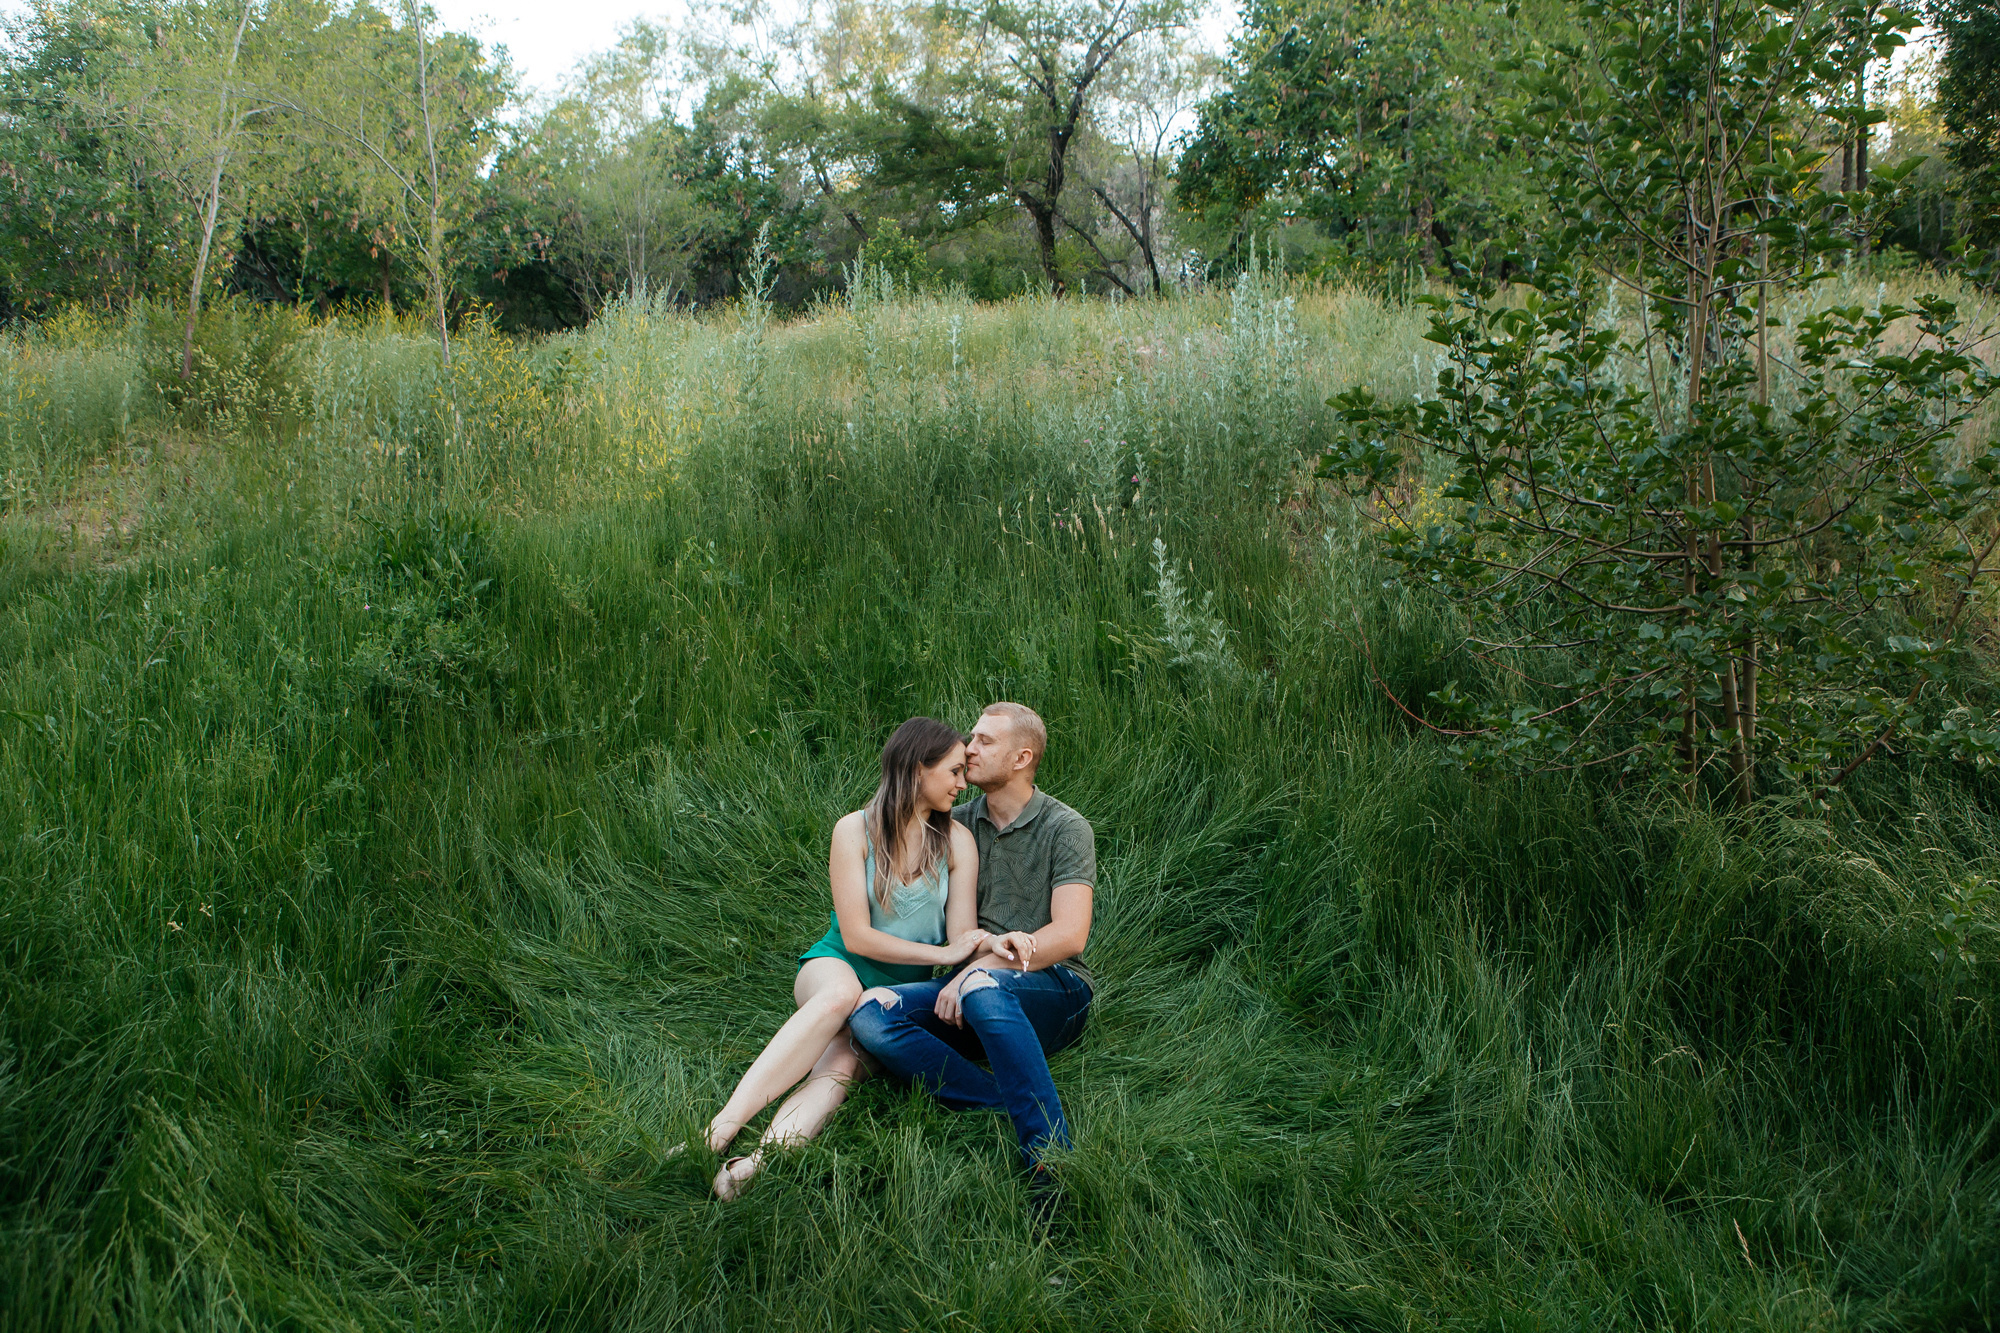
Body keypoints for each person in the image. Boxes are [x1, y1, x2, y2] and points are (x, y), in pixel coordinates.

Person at [701, 717, 991, 1200]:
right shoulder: (854, 830)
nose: (964, 783)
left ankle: (753, 1165)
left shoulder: (957, 841)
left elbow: (962, 937)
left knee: (841, 1065)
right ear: (917, 768)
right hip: (836, 965)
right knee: (840, 994)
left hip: (893, 993)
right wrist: (941, 953)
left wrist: (993, 945)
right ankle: (720, 1130)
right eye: (955, 771)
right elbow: (856, 937)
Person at [847, 702, 1095, 1207]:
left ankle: (1050, 1160)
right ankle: (1003, 1098)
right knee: (872, 1012)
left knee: (982, 987)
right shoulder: (952, 823)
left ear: (1022, 758)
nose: (969, 747)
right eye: (971, 737)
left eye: (984, 741)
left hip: (1055, 987)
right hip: (964, 992)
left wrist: (975, 972)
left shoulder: (1065, 827)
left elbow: (1070, 937)